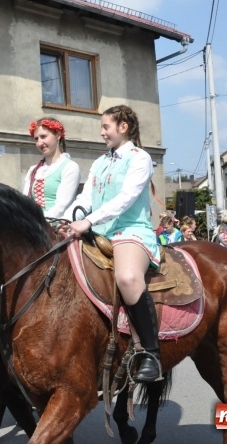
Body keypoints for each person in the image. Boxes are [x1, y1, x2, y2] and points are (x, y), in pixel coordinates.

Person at [63, 105, 162, 382]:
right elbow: (86, 197)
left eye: (106, 126)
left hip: (130, 230)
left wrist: (89, 221)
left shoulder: (140, 158)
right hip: (98, 231)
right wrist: (73, 216)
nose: (102, 132)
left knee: (128, 277)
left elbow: (126, 198)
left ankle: (151, 354)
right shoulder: (99, 162)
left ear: (123, 127)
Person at [22, 117, 80, 219]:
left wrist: (39, 221)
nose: (39, 143)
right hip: (34, 224)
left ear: (57, 135)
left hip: (57, 225)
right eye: (36, 139)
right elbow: (25, 202)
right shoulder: (33, 170)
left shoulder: (70, 167)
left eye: (43, 136)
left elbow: (62, 206)